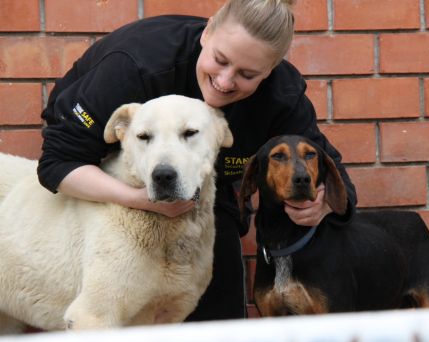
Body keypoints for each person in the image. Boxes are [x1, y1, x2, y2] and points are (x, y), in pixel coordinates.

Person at [38, 0, 357, 321]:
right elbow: (57, 164)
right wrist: (140, 199)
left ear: (269, 72)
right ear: (207, 32)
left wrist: (321, 205)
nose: (225, 81)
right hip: (116, 178)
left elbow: (337, 183)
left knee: (220, 289)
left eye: (247, 74)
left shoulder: (281, 96)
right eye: (220, 60)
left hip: (203, 191)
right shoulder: (136, 65)